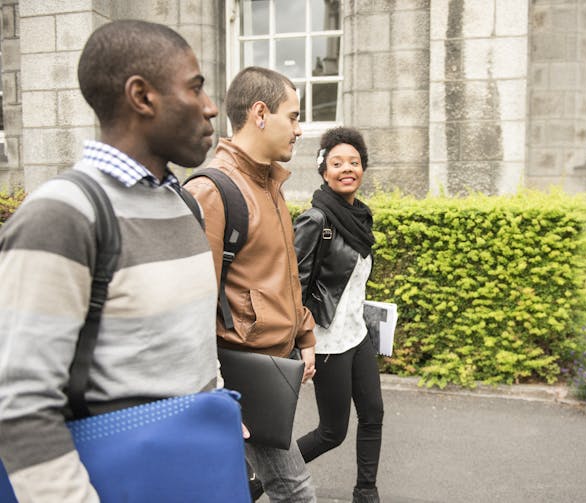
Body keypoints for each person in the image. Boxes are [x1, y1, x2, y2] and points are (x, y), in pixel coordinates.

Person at [0, 20, 220, 501]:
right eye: (196, 87)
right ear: (142, 97)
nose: (211, 107)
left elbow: (190, 353)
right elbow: (20, 407)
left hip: (197, 473)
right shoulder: (61, 215)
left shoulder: (186, 205)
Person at [184, 66, 317, 503]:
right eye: (293, 117)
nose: (299, 129)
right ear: (260, 113)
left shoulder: (270, 183)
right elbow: (192, 305)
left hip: (273, 371)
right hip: (240, 379)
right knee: (295, 491)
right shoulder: (214, 190)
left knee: (227, 486)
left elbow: (283, 274)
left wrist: (304, 334)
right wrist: (217, 390)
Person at [294, 127, 384, 503]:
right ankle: (258, 476)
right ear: (324, 170)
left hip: (357, 334)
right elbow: (293, 285)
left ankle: (366, 492)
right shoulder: (316, 220)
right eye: (337, 162)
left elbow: (351, 284)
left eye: (354, 162)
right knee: (332, 432)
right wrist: (304, 341)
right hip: (327, 339)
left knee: (374, 415)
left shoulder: (360, 218)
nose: (347, 168)